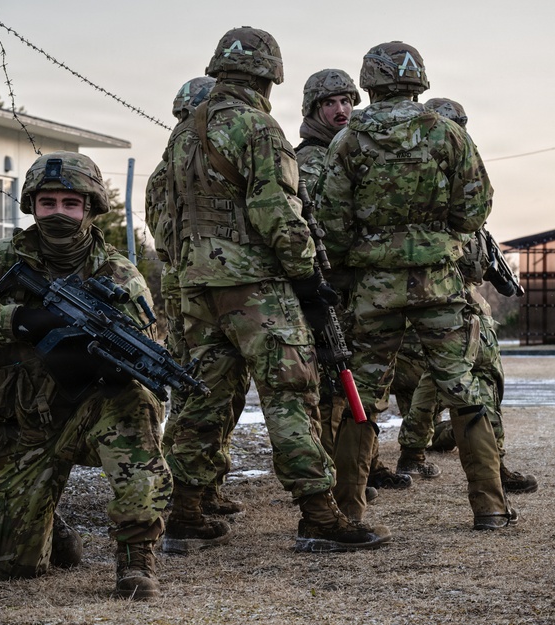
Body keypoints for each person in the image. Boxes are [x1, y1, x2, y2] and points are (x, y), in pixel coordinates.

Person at [160, 26, 391, 553]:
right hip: (257, 289)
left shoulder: (183, 132)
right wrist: (309, 277)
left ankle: (185, 511)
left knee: (205, 399)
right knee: (291, 396)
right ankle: (319, 514)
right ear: (270, 76)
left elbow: (168, 215)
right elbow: (277, 211)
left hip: (196, 287)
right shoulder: (258, 127)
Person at [0, 152, 170, 599]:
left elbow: (144, 346)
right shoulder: (0, 261)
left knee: (136, 406)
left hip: (95, 411)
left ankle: (136, 558)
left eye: (70, 203)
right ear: (32, 206)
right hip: (27, 421)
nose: (58, 212)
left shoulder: (119, 274)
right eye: (48, 203)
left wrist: (112, 362)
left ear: (90, 207)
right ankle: (48, 521)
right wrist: (16, 319)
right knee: (13, 568)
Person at [315, 41, 516, 530]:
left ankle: (349, 509)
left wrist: (356, 263)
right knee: (463, 388)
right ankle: (489, 505)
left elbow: (330, 222)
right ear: (418, 80)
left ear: (369, 83)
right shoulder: (447, 134)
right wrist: (433, 234)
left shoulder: (348, 142)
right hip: (440, 283)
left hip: (373, 287)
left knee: (361, 394)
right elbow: (474, 210)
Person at [393, 97, 538, 495]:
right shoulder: (440, 181)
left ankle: (413, 452)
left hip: (445, 295)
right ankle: (494, 470)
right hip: (449, 296)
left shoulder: (432, 174)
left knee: (434, 380)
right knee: (481, 380)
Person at [294, 68, 411, 519]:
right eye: (331, 102)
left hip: (351, 283)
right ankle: (327, 478)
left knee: (353, 380)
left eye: (347, 100)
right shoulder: (310, 159)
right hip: (326, 284)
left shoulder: (351, 148)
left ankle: (363, 467)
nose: (342, 109)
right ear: (313, 109)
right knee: (329, 384)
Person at [145, 76, 250, 516]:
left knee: (215, 386)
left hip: (188, 279)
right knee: (201, 388)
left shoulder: (168, 168)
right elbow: (167, 237)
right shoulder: (178, 169)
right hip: (196, 283)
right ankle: (183, 489)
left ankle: (204, 484)